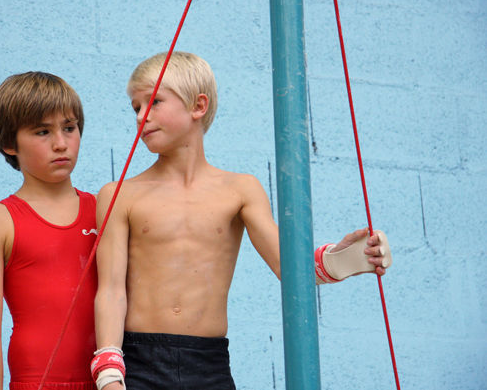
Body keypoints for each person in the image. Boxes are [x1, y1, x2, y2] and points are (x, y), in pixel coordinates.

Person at [91, 52, 391, 390]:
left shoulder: (240, 189)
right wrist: (108, 372)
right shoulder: (119, 194)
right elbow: (111, 290)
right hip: (139, 362)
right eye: (135, 107)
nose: (142, 116)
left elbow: (290, 269)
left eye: (154, 101)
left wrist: (345, 258)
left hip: (209, 364)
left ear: (198, 106)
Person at [0, 71, 97, 390]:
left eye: (69, 128)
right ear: (9, 143)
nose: (61, 143)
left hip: (110, 381)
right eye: (42, 131)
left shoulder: (105, 208)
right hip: (36, 382)